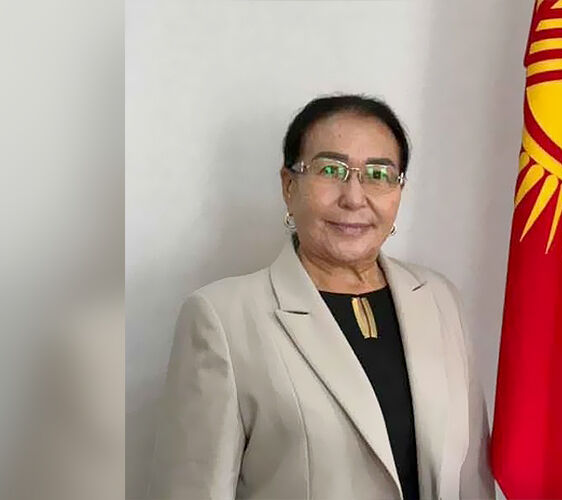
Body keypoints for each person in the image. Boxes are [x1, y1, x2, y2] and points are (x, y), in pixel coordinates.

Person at [148, 94, 493, 500]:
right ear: (289, 185)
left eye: (378, 174)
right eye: (331, 169)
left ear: (399, 190)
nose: (354, 197)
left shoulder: (439, 300)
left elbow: (472, 479)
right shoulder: (223, 319)